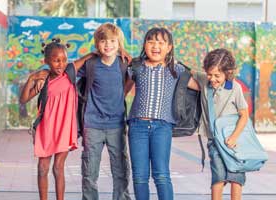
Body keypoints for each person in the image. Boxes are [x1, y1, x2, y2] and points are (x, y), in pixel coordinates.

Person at [19, 38, 90, 200]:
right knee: (43, 168)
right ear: (46, 61)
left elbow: (90, 56)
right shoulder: (42, 80)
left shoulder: (70, 72)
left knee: (58, 168)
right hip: (46, 129)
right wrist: (32, 78)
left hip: (65, 129)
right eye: (56, 60)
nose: (61, 64)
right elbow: (23, 99)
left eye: (64, 60)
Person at [125, 27, 185, 200]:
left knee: (161, 175)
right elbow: (123, 91)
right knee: (139, 177)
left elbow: (200, 83)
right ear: (144, 45)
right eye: (151, 41)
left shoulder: (177, 69)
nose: (155, 46)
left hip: (162, 127)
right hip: (137, 127)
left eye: (161, 42)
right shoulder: (136, 67)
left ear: (169, 47)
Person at [78, 22, 131, 200]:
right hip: (92, 124)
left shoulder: (124, 64)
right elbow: (69, 70)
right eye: (103, 41)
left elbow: (135, 74)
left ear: (119, 43)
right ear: (97, 44)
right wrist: (87, 56)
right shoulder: (91, 64)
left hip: (116, 124)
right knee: (90, 170)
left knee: (120, 168)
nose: (108, 44)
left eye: (112, 41)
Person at [187, 48, 249, 200]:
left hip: (234, 142)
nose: (212, 79)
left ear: (227, 73)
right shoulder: (203, 80)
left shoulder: (235, 88)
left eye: (217, 75)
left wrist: (234, 137)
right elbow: (187, 74)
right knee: (218, 176)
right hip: (214, 141)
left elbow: (244, 115)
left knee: (236, 177)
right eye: (209, 74)